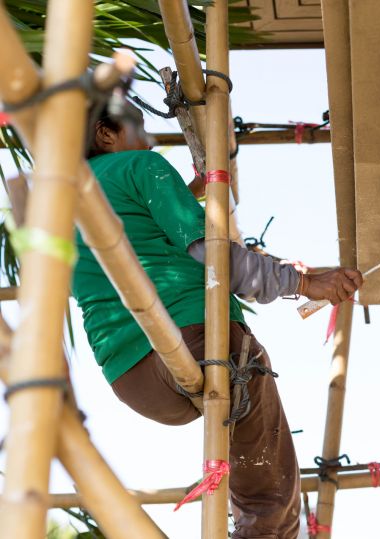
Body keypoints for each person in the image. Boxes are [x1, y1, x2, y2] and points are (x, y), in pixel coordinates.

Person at [72, 107, 363, 539]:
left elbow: (137, 243)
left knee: (235, 402)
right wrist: (304, 282)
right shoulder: (142, 166)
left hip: (131, 380)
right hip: (193, 340)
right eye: (137, 126)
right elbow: (213, 254)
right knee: (269, 485)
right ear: (105, 134)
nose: (151, 138)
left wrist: (190, 190)